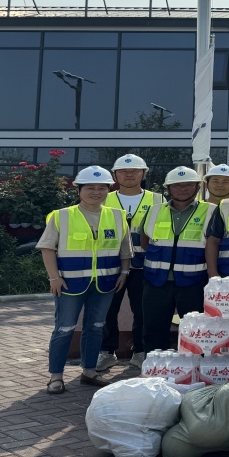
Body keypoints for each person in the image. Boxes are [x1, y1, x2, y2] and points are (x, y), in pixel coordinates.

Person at [38, 166, 132, 394]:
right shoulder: (62, 215)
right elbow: (47, 248)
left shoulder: (117, 215)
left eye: (102, 188)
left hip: (105, 284)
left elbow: (125, 249)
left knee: (96, 328)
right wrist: (54, 277)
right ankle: (56, 376)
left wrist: (124, 273)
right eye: (90, 187)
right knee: (64, 329)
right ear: (79, 190)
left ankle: (89, 371)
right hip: (69, 284)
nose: (96, 192)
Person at [95, 154, 164, 372]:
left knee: (142, 310)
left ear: (144, 174)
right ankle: (106, 352)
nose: (129, 174)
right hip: (111, 264)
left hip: (145, 265)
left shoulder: (158, 200)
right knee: (107, 310)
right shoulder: (103, 198)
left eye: (135, 171)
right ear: (115, 175)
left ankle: (140, 351)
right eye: (124, 171)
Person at [139, 166, 216, 353]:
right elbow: (144, 241)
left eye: (188, 184)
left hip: (194, 283)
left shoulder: (211, 211)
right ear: (168, 188)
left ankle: (194, 366)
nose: (182, 189)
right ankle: (155, 366)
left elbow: (215, 245)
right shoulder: (154, 210)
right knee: (153, 328)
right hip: (156, 281)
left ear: (198, 187)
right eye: (177, 185)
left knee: (196, 331)